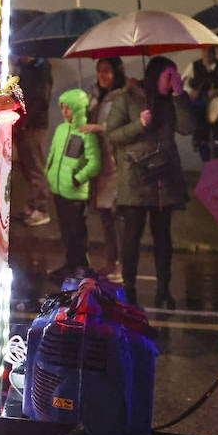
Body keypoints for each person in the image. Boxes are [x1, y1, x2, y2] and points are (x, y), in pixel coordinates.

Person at [106, 56, 193, 309]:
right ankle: (129, 289)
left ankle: (163, 290)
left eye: (174, 75)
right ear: (155, 75)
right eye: (169, 76)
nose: (172, 80)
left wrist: (179, 95)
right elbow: (112, 134)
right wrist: (138, 124)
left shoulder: (172, 101)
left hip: (163, 180)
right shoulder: (127, 98)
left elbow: (187, 128)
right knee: (132, 236)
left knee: (163, 238)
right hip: (136, 178)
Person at [44, 88, 101, 280]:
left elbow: (95, 163)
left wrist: (78, 178)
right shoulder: (61, 129)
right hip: (59, 188)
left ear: (78, 109)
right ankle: (70, 264)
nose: (65, 112)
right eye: (63, 108)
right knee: (67, 231)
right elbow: (53, 154)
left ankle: (80, 266)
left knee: (77, 231)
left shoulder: (87, 133)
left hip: (75, 192)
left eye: (69, 109)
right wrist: (49, 172)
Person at [81, 57, 127, 276]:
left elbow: (120, 125)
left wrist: (97, 127)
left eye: (107, 70)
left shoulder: (122, 96)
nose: (102, 75)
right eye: (99, 70)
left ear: (116, 72)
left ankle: (120, 263)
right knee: (105, 217)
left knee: (116, 216)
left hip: (116, 163)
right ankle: (111, 260)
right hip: (101, 164)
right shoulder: (97, 97)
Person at [13, 56, 53, 226]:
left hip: (33, 125)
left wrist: (27, 122)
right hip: (24, 125)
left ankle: (41, 208)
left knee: (35, 165)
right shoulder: (24, 69)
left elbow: (39, 99)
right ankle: (32, 204)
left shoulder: (41, 70)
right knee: (27, 165)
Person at [184, 46, 218, 161]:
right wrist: (191, 91)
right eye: (205, 51)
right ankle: (206, 162)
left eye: (209, 52)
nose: (207, 54)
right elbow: (184, 83)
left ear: (213, 53)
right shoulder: (194, 66)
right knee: (202, 137)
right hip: (199, 106)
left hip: (217, 106)